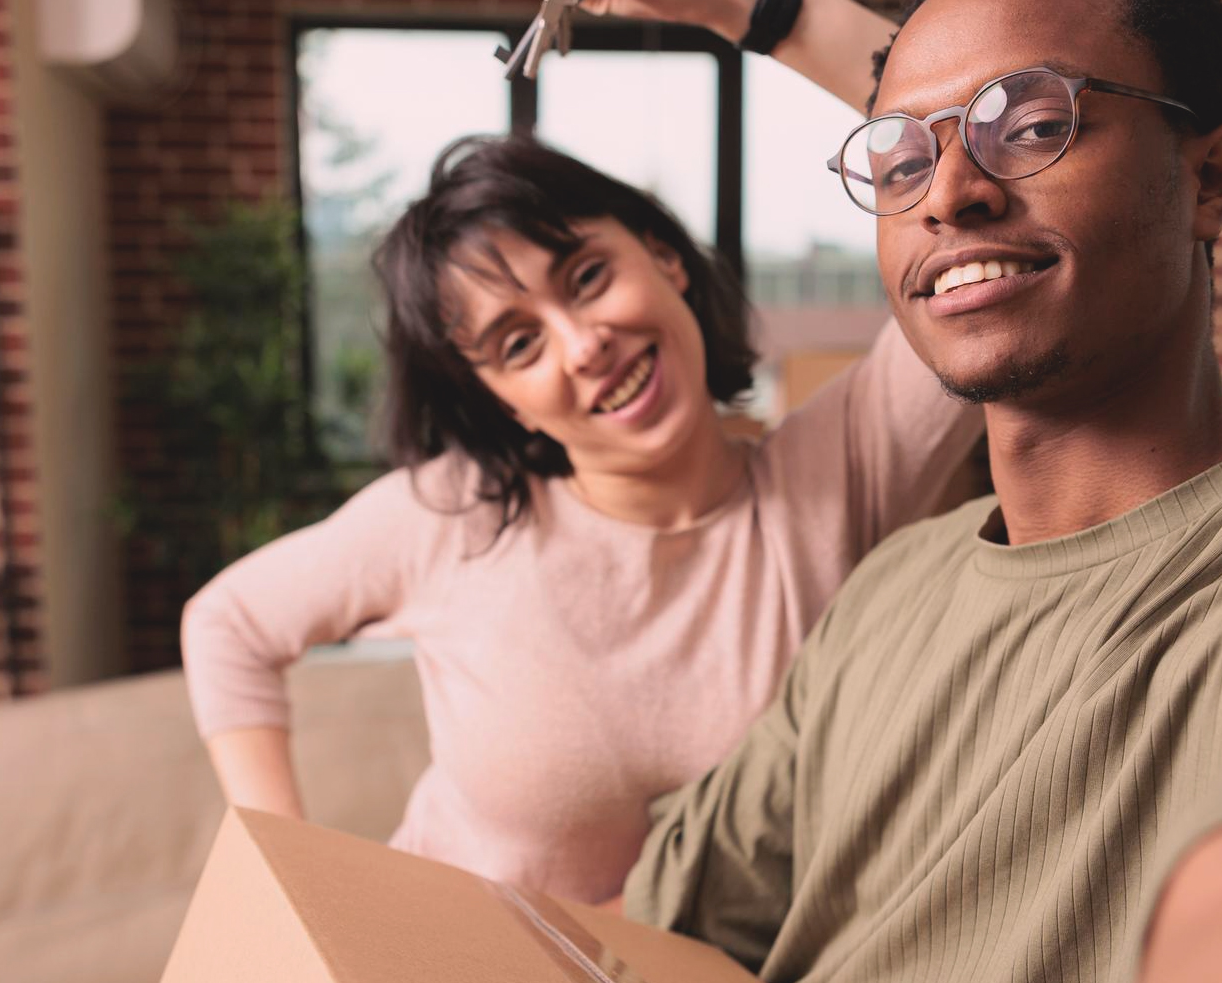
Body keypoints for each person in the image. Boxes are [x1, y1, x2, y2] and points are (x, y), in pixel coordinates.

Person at [463, 0, 1222, 980]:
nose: (948, 193)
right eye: (899, 163)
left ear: (1210, 178)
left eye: (1033, 125)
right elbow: (655, 918)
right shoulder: (892, 589)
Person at [180, 135, 986, 904]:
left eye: (588, 277)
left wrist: (756, 1)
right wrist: (287, 872)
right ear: (499, 397)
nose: (581, 345)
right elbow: (229, 624)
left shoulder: (841, 464)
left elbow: (962, 145)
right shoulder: (453, 513)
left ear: (663, 257)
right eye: (520, 344)